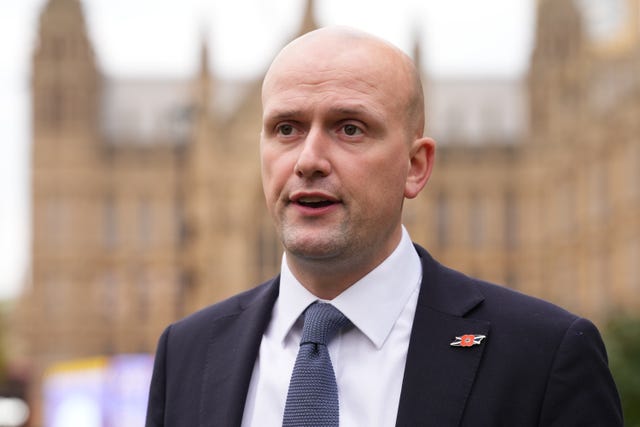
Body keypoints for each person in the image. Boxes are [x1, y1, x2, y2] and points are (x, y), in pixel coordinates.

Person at [145, 27, 623, 426]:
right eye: (286, 128)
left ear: (416, 166)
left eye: (349, 128)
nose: (308, 159)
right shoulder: (186, 356)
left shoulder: (544, 357)